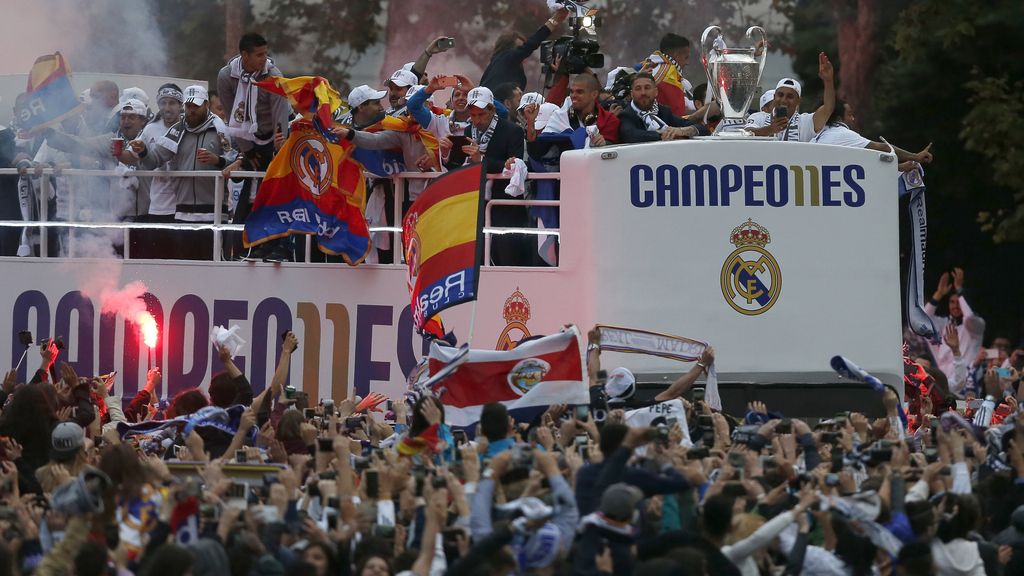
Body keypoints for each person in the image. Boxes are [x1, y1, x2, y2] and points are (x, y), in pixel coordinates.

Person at [132, 85, 232, 260]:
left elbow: (236, 161)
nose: (191, 110)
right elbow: (153, 161)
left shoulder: (220, 129)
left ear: (206, 105)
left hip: (213, 212)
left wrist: (218, 160)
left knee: (212, 266)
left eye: (196, 106)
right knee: (184, 266)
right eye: (188, 106)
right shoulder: (177, 130)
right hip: (183, 213)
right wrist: (143, 151)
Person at [217, 33, 291, 259]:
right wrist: (247, 151)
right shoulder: (226, 76)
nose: (264, 58)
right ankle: (246, 246)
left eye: (265, 53)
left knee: (275, 191)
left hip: (274, 137)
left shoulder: (273, 75)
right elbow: (231, 115)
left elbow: (281, 115)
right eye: (259, 55)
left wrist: (280, 146)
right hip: (247, 138)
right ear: (245, 55)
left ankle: (278, 246)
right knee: (250, 194)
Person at [813, 99, 935, 168]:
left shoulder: (817, 136)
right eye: (850, 114)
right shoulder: (842, 134)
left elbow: (865, 166)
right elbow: (883, 148)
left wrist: (899, 167)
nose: (853, 119)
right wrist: (915, 156)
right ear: (839, 119)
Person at [748, 52, 835, 142]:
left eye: (790, 96)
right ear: (774, 96)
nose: (784, 100)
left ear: (798, 101)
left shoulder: (805, 122)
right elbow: (746, 134)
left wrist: (828, 81)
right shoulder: (759, 118)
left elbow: (828, 109)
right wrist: (770, 129)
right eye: (780, 95)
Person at [479, 7, 568, 91]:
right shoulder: (506, 57)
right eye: (519, 48)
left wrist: (554, 72)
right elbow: (531, 44)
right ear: (508, 48)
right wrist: (554, 20)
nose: (521, 52)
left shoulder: (502, 64)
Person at [925, 268, 986, 387]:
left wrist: (959, 289)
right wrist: (938, 294)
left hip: (966, 386)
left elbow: (968, 317)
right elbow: (922, 322)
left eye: (959, 302)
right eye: (952, 302)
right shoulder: (943, 324)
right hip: (943, 387)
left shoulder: (976, 326)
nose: (955, 306)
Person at [617, 72, 709, 143]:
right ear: (632, 94)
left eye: (647, 88)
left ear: (656, 92)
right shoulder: (626, 115)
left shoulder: (664, 112)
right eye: (638, 89)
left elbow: (702, 129)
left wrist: (683, 131)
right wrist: (663, 135)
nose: (643, 93)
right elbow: (630, 135)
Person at [546, 73, 620, 146]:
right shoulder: (560, 117)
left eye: (579, 92)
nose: (573, 96)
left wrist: (605, 144)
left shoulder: (609, 120)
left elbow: (617, 149)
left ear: (594, 94)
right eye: (571, 92)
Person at [643, 33, 696, 117]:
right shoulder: (667, 74)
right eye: (686, 57)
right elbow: (678, 113)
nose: (687, 63)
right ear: (676, 55)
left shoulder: (653, 65)